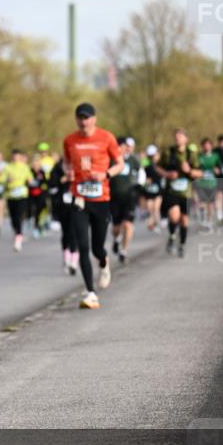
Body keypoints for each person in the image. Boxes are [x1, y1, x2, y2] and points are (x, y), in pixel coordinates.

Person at [63, 102, 124, 310]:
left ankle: (104, 262)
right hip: (79, 198)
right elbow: (66, 162)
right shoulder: (69, 140)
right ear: (76, 119)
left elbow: (120, 164)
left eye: (87, 117)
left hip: (101, 199)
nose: (83, 121)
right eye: (80, 117)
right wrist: (68, 171)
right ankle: (91, 293)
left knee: (97, 247)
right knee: (82, 245)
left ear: (94, 119)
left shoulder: (106, 137)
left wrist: (105, 174)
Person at [155, 128, 201, 258]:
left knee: (184, 221)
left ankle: (182, 245)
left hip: (186, 192)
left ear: (186, 139)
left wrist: (189, 171)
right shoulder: (168, 152)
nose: (178, 138)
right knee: (174, 216)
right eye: (176, 136)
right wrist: (167, 174)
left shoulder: (191, 154)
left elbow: (199, 173)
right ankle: (172, 235)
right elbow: (158, 167)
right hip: (172, 191)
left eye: (180, 136)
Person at [109, 136, 142, 264]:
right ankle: (117, 239)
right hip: (114, 197)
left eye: (124, 146)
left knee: (128, 225)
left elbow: (141, 175)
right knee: (116, 227)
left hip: (129, 198)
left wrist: (139, 189)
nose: (123, 148)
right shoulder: (111, 160)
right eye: (119, 146)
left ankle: (124, 250)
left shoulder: (134, 160)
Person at [47, 155, 77, 274]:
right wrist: (62, 180)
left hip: (76, 204)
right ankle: (66, 257)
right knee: (66, 233)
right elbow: (51, 186)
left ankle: (74, 262)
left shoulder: (78, 166)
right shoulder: (56, 169)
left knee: (75, 232)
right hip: (62, 205)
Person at [0, 149, 34, 252]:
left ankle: (18, 236)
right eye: (13, 156)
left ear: (20, 157)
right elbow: (1, 180)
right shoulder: (8, 168)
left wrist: (29, 181)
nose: (15, 158)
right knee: (13, 218)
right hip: (11, 195)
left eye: (17, 156)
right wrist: (6, 180)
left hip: (22, 195)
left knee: (19, 216)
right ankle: (17, 232)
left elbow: (30, 179)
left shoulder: (25, 167)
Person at [196, 138, 222, 230]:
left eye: (208, 144)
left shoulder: (216, 156)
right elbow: (196, 167)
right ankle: (203, 217)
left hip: (212, 183)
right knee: (202, 203)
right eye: (205, 145)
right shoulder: (199, 156)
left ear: (211, 145)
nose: (207, 146)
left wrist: (218, 170)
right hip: (202, 183)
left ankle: (209, 221)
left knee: (211, 203)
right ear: (202, 146)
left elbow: (220, 167)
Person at [141, 144, 164, 232]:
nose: (153, 157)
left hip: (158, 190)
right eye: (151, 156)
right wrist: (146, 181)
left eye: (154, 155)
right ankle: (153, 224)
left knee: (156, 208)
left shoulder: (161, 165)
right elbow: (143, 177)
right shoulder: (146, 165)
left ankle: (157, 223)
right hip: (149, 191)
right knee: (150, 209)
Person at [27, 154, 48, 238]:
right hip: (31, 193)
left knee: (39, 210)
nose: (35, 164)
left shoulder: (42, 171)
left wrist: (43, 186)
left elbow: (45, 182)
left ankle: (38, 226)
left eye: (37, 162)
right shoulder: (29, 170)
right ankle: (30, 220)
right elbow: (27, 181)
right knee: (31, 208)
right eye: (34, 162)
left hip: (40, 193)